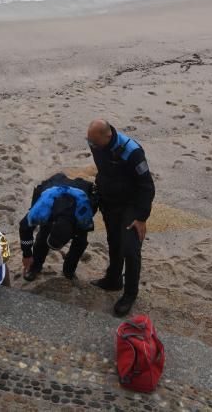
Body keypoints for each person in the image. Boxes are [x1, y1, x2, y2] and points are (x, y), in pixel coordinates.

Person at [87, 119, 155, 316]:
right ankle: (113, 279)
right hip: (110, 201)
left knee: (131, 249)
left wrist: (141, 217)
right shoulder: (96, 143)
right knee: (114, 242)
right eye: (89, 142)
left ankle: (130, 294)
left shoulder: (132, 151)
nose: (91, 146)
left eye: (94, 142)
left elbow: (147, 186)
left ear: (108, 136)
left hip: (131, 205)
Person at [19, 172, 98, 282]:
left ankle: (69, 271)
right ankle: (35, 266)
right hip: (54, 191)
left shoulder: (83, 215)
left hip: (78, 198)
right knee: (42, 237)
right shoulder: (43, 208)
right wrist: (27, 254)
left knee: (80, 242)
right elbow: (24, 228)